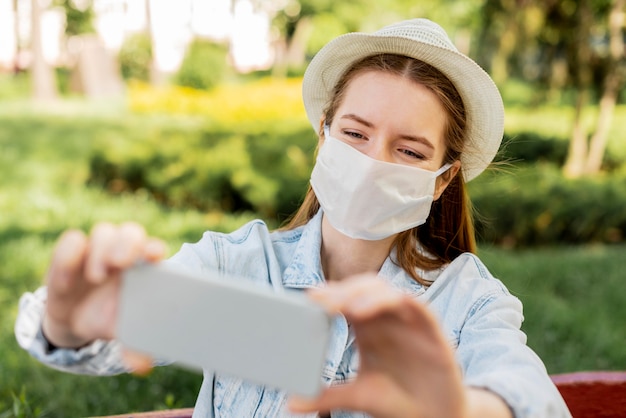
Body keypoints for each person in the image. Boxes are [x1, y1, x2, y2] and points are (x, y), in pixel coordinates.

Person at [15, 18, 572, 418]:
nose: (372, 162)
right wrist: (71, 319)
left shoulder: (469, 302)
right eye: (355, 134)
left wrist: (461, 410)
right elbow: (100, 332)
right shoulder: (239, 268)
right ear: (322, 136)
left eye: (409, 151)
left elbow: (529, 396)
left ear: (443, 178)